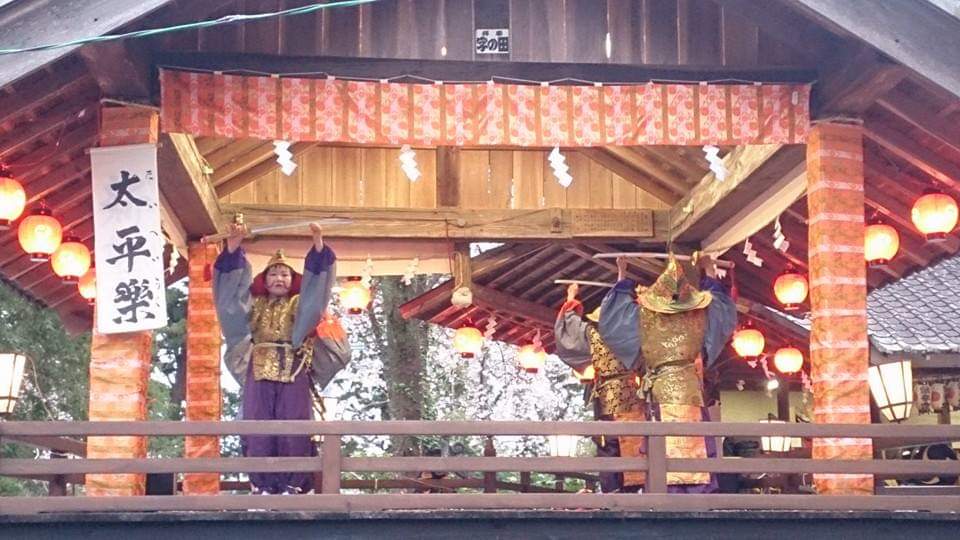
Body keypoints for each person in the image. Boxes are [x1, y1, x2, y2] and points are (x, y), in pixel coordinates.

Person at [213, 222, 347, 495]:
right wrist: (233, 247)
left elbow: (315, 297)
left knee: (295, 423)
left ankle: (294, 483)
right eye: (273, 273)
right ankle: (261, 484)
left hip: (294, 366)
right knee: (257, 423)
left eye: (285, 274)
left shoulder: (299, 303)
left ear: (292, 279)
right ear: (264, 280)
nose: (279, 278)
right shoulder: (255, 304)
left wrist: (318, 244)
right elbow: (230, 303)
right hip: (258, 368)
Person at [599, 254, 736, 492]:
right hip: (690, 386)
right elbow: (722, 310)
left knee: (659, 443)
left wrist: (623, 276)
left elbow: (614, 317)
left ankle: (659, 491)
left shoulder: (645, 315)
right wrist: (709, 272)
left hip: (659, 387)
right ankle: (696, 493)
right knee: (694, 443)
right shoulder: (699, 314)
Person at [554, 282, 647, 492]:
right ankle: (634, 491)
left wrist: (571, 297)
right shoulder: (634, 331)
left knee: (608, 442)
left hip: (606, 393)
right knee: (636, 442)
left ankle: (611, 490)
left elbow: (569, 324)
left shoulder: (592, 333)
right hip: (634, 392)